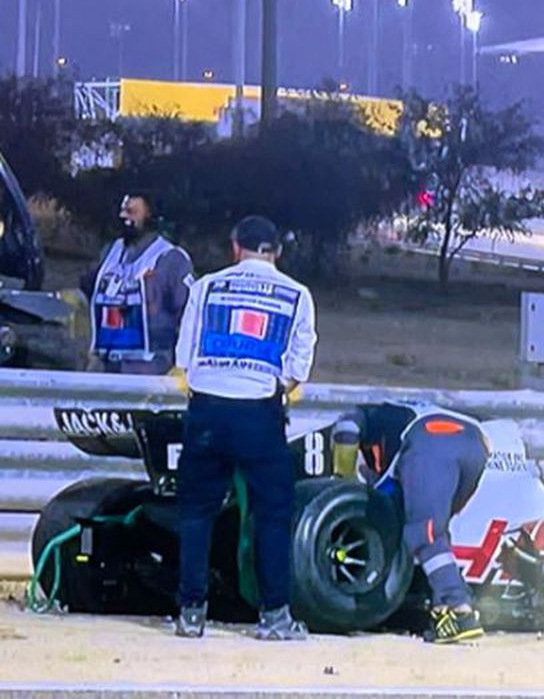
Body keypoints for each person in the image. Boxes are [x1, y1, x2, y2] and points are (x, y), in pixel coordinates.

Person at [172, 216, 316, 641]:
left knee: (196, 512)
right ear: (277, 251)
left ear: (235, 247)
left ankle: (191, 613)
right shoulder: (298, 294)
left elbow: (184, 355)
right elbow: (298, 368)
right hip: (259, 413)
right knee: (272, 514)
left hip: (207, 412)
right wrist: (274, 389)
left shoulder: (207, 287)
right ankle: (274, 617)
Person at [332, 402, 489, 644]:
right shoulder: (396, 417)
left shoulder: (364, 415)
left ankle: (458, 609)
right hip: (475, 443)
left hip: (432, 439)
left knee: (423, 533)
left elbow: (346, 426)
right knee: (437, 529)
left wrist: (342, 479)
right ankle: (443, 610)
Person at [81, 193, 194, 375]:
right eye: (123, 211)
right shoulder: (110, 252)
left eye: (131, 212)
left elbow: (190, 313)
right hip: (105, 365)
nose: (123, 217)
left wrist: (182, 364)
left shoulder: (171, 259)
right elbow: (88, 289)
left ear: (151, 216)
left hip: (150, 368)